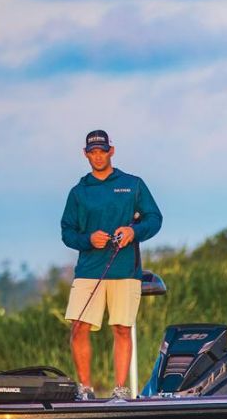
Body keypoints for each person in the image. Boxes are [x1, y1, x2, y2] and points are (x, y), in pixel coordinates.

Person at [61, 129, 163, 400]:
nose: (97, 156)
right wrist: (88, 239)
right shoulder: (78, 192)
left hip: (125, 270)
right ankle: (85, 390)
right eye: (92, 152)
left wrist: (134, 232)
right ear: (85, 154)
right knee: (78, 327)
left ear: (111, 151)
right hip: (89, 271)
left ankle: (121, 391)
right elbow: (66, 232)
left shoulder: (133, 184)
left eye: (102, 151)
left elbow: (154, 218)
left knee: (121, 327)